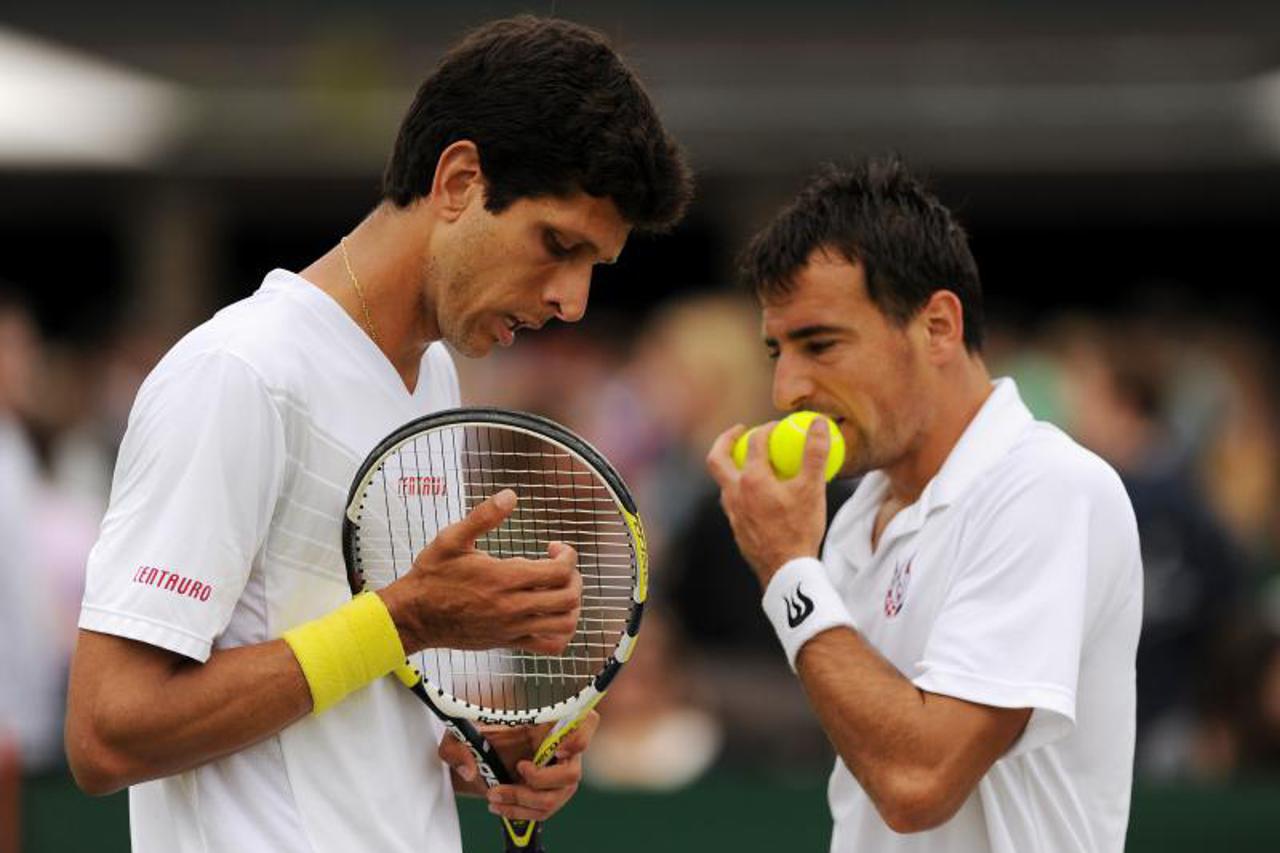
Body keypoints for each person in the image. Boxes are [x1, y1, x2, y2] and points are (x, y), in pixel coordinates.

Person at [64, 16, 691, 853]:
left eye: (593, 267)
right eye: (558, 244)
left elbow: (362, 686)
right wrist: (402, 621)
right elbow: (108, 734)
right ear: (460, 179)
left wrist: (488, 750)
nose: (571, 300)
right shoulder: (239, 373)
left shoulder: (432, 377)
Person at [706, 157, 1141, 852]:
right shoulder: (851, 518)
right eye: (776, 351)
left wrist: (788, 569)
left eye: (820, 343)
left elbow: (919, 781)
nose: (787, 388)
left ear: (938, 325)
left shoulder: (1050, 487)